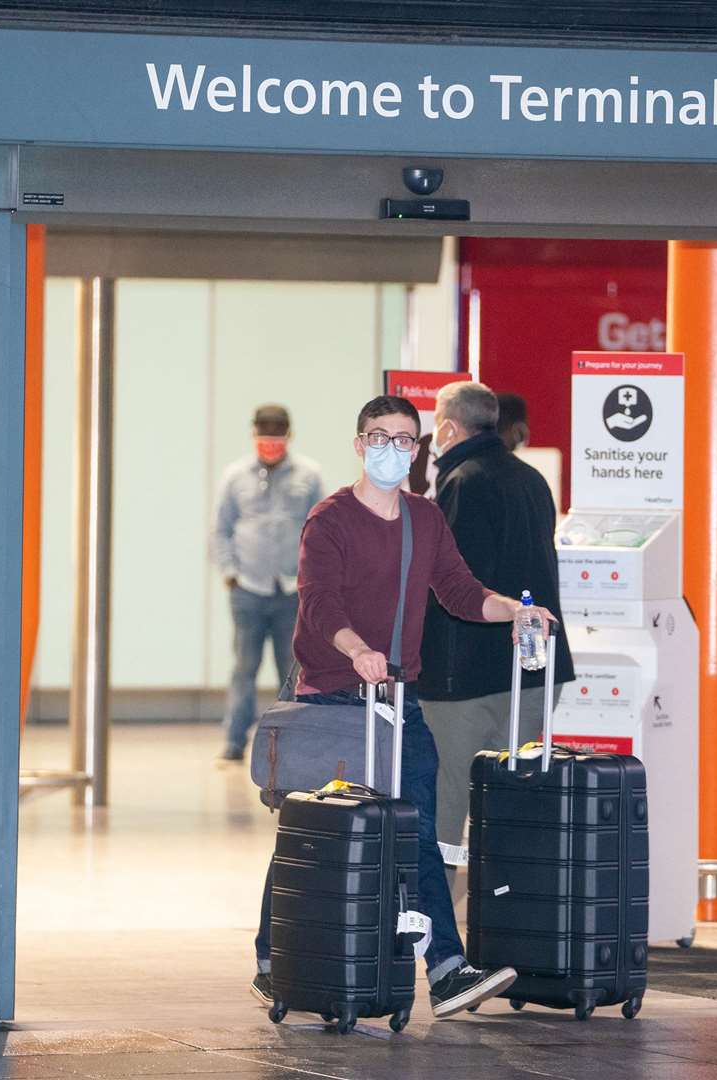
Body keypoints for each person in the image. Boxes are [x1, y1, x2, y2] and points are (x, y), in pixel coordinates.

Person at [252, 394, 556, 1019]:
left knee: (412, 823)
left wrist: (514, 610)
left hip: (396, 699)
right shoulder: (329, 520)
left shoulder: (424, 519)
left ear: (418, 449)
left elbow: (461, 592)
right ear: (360, 445)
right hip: (333, 695)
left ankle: (445, 968)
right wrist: (357, 650)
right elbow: (319, 605)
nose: (393, 449)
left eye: (404, 440)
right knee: (314, 830)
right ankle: (271, 956)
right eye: (380, 437)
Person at [417, 381, 575, 851]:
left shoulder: (463, 483)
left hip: (467, 677)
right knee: (509, 797)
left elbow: (454, 584)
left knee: (449, 796)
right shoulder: (529, 479)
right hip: (533, 668)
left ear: (448, 426)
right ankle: (506, 900)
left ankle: (438, 909)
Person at [213, 405, 323, 761]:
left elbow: (321, 529)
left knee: (290, 669)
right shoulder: (235, 476)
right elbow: (221, 529)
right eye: (264, 436)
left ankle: (288, 742)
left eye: (277, 436)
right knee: (244, 667)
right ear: (253, 434)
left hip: (292, 591)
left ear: (289, 436)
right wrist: (231, 574)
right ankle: (234, 741)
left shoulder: (309, 475)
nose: (270, 443)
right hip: (248, 589)